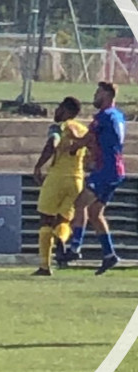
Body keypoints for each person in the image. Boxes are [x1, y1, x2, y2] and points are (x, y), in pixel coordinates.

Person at [57, 82, 127, 274]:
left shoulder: (103, 116)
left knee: (80, 203)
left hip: (106, 170)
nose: (95, 95)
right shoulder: (118, 115)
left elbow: (88, 138)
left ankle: (74, 248)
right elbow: (101, 141)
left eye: (98, 92)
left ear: (107, 95)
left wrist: (72, 147)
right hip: (116, 169)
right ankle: (109, 255)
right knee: (95, 213)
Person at [32, 97, 87, 276]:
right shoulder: (83, 130)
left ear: (66, 110)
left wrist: (38, 165)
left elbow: (52, 143)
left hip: (57, 178)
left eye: (59, 108)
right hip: (77, 180)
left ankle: (44, 266)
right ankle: (61, 238)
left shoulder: (60, 126)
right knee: (64, 220)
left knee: (46, 219)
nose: (56, 112)